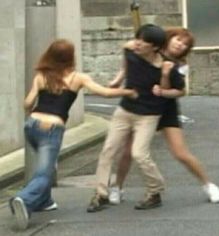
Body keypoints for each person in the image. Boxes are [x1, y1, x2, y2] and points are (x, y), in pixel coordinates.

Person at [8, 39, 137, 230]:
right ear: (71, 57)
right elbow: (105, 93)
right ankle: (23, 199)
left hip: (32, 126)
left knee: (47, 167)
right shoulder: (78, 78)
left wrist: (32, 112)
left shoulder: (41, 76)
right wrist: (127, 92)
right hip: (52, 129)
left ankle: (44, 201)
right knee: (45, 172)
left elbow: (27, 103)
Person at [108, 27, 219, 205]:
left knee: (180, 152)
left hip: (165, 109)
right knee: (128, 152)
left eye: (185, 44)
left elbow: (178, 91)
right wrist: (119, 78)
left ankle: (208, 185)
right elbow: (129, 58)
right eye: (178, 39)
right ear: (168, 39)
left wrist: (163, 85)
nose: (180, 45)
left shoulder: (180, 66)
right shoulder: (149, 49)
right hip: (141, 107)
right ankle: (117, 188)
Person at [87, 24, 186, 213]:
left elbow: (181, 91)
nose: (138, 43)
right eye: (137, 39)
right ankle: (101, 195)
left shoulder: (166, 67)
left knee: (139, 154)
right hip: (124, 111)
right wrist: (119, 78)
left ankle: (155, 191)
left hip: (148, 115)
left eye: (143, 41)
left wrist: (164, 90)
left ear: (155, 47)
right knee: (108, 150)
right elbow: (126, 53)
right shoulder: (131, 52)